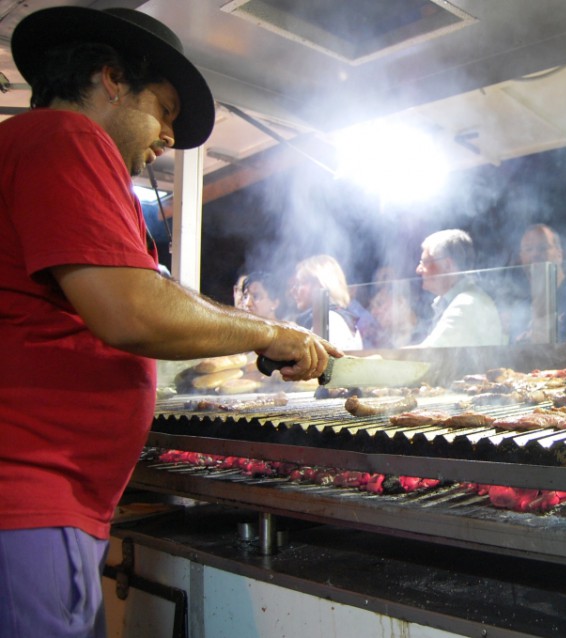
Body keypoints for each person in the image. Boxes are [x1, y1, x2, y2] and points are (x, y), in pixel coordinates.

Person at [0, 7, 339, 638]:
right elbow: (130, 311)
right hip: (26, 499)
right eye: (164, 110)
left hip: (46, 506)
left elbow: (143, 297)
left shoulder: (34, 149)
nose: (168, 138)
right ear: (111, 79)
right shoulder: (63, 139)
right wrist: (268, 332)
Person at [414, 229, 504, 347]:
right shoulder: (459, 300)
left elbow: (429, 353)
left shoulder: (467, 303)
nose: (418, 270)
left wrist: (384, 357)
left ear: (447, 265)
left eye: (425, 262)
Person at [512, 224, 566, 343]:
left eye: (543, 248)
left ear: (559, 254)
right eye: (528, 249)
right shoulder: (520, 308)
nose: (535, 254)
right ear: (521, 257)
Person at [289, 254, 373, 351]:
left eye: (301, 283)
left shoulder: (330, 320)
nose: (293, 291)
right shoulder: (332, 317)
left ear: (320, 285)